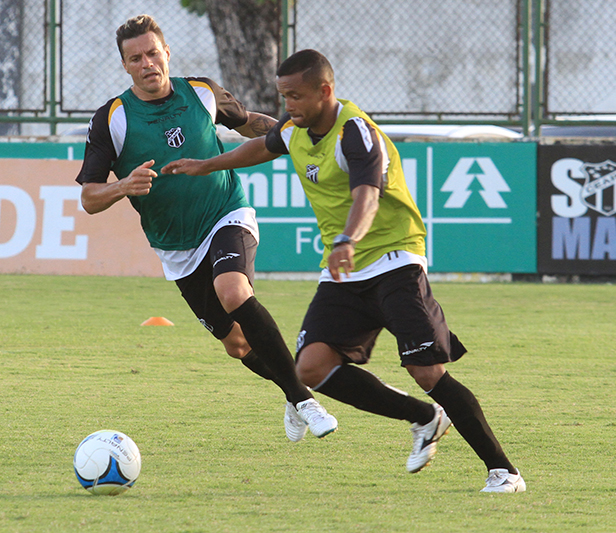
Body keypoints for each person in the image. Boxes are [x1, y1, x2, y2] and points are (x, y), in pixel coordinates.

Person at [162, 49, 527, 493]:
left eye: (295, 96)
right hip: (345, 272)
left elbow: (367, 196)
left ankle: (503, 471)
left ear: (325, 91)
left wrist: (348, 240)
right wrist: (207, 164)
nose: (288, 106)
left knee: (427, 372)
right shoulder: (295, 129)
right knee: (311, 369)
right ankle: (424, 418)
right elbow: (263, 144)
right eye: (283, 97)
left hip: (394, 260)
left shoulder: (355, 132)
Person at [75, 16, 337, 442]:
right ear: (125, 65)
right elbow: (89, 198)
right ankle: (291, 395)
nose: (147, 64)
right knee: (236, 344)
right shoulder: (112, 118)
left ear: (167, 52)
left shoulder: (201, 92)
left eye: (153, 53)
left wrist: (301, 133)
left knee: (233, 291)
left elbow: (250, 123)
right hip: (176, 247)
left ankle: (304, 398)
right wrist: (123, 186)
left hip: (226, 213)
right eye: (135, 58)